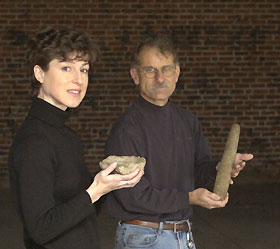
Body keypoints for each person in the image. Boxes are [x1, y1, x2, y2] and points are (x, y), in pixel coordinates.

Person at [105, 35, 254, 249]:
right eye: (150, 70)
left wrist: (221, 168)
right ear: (135, 76)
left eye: (166, 69)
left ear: (177, 73)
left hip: (182, 235)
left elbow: (198, 172)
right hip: (144, 238)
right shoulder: (127, 129)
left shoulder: (187, 120)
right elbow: (133, 196)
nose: (160, 78)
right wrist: (189, 198)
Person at [8, 26, 143, 249]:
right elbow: (41, 229)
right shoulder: (35, 141)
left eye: (84, 70)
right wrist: (95, 190)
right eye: (66, 68)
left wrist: (110, 182)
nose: (78, 79)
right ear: (40, 74)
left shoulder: (67, 136)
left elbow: (81, 210)